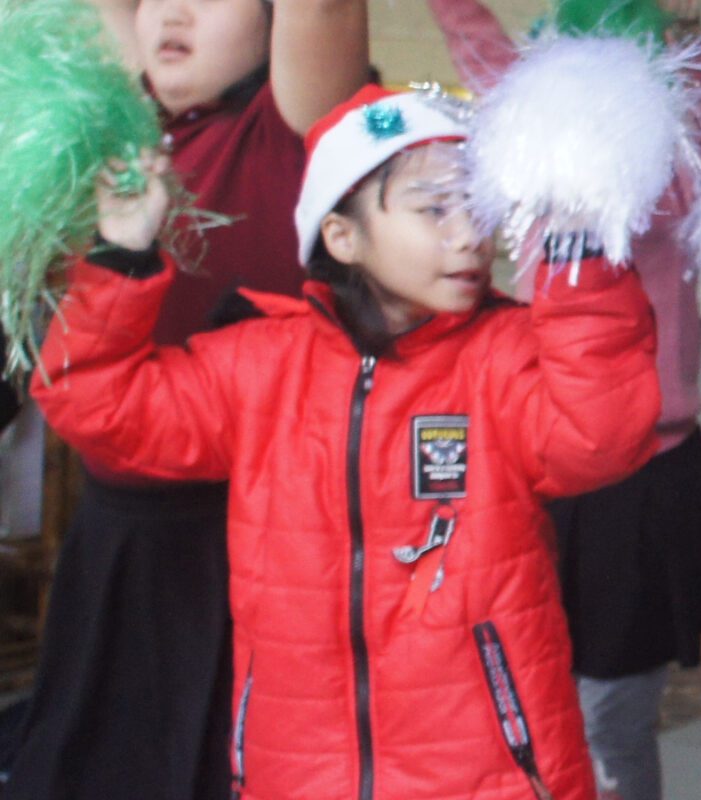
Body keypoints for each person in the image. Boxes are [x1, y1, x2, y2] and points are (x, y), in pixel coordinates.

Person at [32, 86, 661, 799]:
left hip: (491, 774)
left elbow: (601, 435)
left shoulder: (501, 356)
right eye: (434, 209)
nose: (467, 235)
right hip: (296, 772)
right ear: (341, 237)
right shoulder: (258, 365)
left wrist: (578, 255)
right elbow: (97, 404)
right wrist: (120, 252)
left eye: (475, 207)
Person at [9, 0, 369, 795]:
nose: (171, 10)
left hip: (253, 549)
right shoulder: (121, 129)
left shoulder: (295, 130)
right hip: (118, 546)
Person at [421, 3, 701, 797]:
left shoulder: (668, 171)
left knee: (612, 711)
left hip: (645, 469)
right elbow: (482, 54)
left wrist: (688, 33)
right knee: (527, 685)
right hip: (545, 454)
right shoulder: (538, 161)